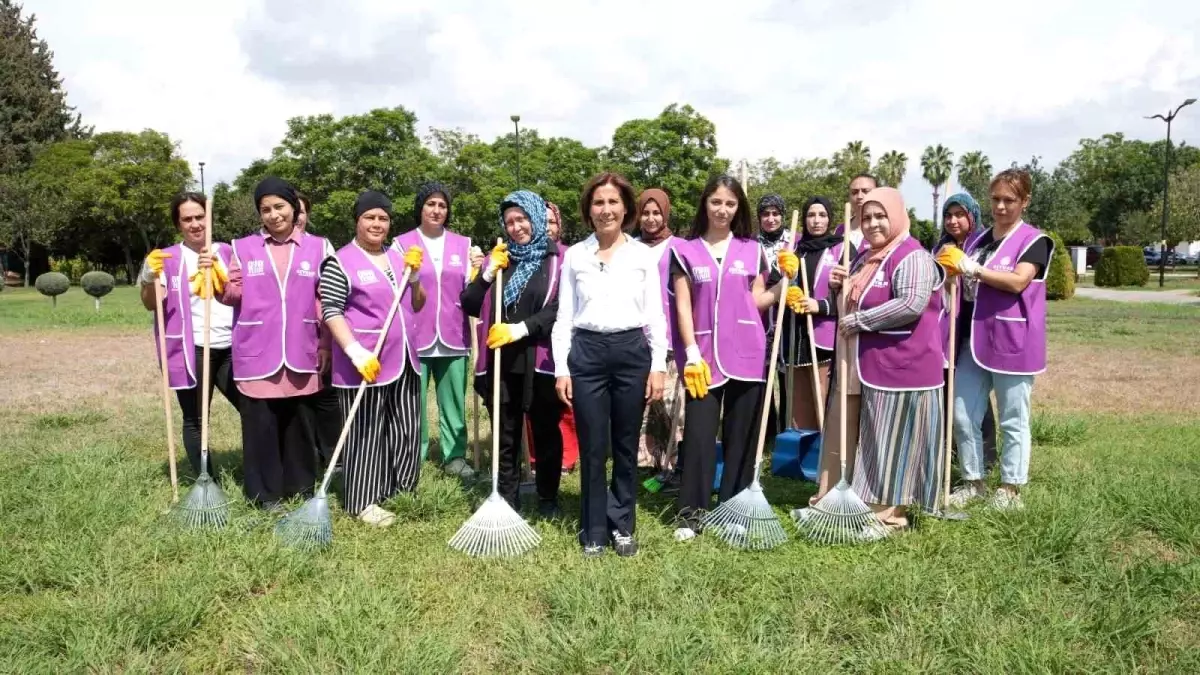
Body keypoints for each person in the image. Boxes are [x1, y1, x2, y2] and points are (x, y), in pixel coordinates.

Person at [813, 187, 944, 536]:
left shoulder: (911, 256)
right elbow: (855, 297)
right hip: (865, 365)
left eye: (880, 216)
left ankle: (890, 516)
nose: (872, 224)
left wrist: (861, 320)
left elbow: (911, 303)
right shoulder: (866, 258)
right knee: (866, 436)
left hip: (903, 368)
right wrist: (841, 285)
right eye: (867, 217)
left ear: (897, 216)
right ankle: (840, 500)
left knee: (892, 443)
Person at [670, 174, 791, 541]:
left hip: (748, 354)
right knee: (699, 435)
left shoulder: (751, 250)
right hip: (703, 356)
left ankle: (733, 508)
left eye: (730, 204)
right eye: (716, 202)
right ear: (705, 204)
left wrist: (784, 282)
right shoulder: (684, 250)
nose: (722, 210)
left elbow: (756, 300)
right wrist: (690, 353)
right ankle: (692, 513)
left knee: (742, 436)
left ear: (738, 209)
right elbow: (684, 305)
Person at [552, 172, 668, 558]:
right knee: (593, 444)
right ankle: (595, 527)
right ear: (589, 210)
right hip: (586, 354)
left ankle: (623, 524)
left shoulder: (642, 256)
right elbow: (564, 316)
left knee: (623, 443)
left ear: (626, 208)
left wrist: (657, 365)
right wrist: (561, 368)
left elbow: (655, 314)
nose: (606, 210)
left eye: (613, 202)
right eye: (598, 203)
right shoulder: (575, 256)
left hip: (631, 352)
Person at [208, 177, 333, 510]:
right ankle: (265, 495)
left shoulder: (320, 247)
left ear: (294, 208)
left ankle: (301, 487)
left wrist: (326, 344)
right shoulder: (242, 248)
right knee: (260, 427)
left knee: (300, 424)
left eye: (280, 206)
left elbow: (327, 301)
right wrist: (216, 280)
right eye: (266, 209)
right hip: (256, 350)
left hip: (302, 348)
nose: (274, 215)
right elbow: (233, 294)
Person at [942, 169, 1053, 511]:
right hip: (973, 340)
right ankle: (973, 481)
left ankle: (1010, 488)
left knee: (1013, 418)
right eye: (996, 199)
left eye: (1009, 200)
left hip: (1012, 341)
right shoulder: (979, 240)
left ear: (1025, 202)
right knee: (962, 413)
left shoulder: (1034, 240)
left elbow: (1018, 281)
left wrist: (971, 269)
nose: (1001, 207)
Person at [318, 190, 425, 526]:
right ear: (357, 221)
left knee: (407, 427)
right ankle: (363, 500)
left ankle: (402, 488)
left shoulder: (398, 257)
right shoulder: (340, 261)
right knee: (365, 431)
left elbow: (418, 303)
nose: (377, 224)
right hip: (366, 362)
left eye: (383, 218)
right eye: (370, 218)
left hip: (405, 357)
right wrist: (353, 350)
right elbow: (331, 310)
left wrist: (417, 277)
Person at [463, 190, 565, 516]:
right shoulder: (504, 258)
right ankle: (507, 499)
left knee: (546, 432)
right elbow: (469, 303)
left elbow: (560, 308)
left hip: (541, 359)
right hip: (503, 362)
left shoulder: (558, 259)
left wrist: (522, 328)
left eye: (521, 218)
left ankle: (548, 497)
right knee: (505, 436)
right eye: (509, 221)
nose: (516, 226)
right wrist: (487, 274)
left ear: (535, 216)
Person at [139, 192, 240, 476]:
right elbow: (151, 304)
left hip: (233, 348)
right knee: (196, 418)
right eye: (188, 219)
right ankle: (206, 479)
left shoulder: (229, 252)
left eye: (200, 217)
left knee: (254, 410)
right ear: (179, 224)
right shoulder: (166, 258)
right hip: (192, 348)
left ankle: (261, 468)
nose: (196, 224)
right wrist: (148, 278)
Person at [392, 182, 475, 480]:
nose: (437, 210)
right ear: (420, 208)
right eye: (431, 204)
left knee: (454, 399)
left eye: (442, 205)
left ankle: (455, 456)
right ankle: (415, 453)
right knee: (413, 400)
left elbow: (472, 290)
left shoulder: (463, 244)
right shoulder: (401, 244)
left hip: (454, 335)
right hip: (416, 335)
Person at [934, 192, 997, 470]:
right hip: (947, 333)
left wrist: (966, 268)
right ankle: (951, 455)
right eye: (948, 215)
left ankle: (987, 457)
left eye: (960, 214)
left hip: (975, 329)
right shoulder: (940, 247)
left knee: (974, 397)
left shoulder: (983, 244)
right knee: (949, 394)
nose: (953, 220)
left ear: (972, 216)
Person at [634, 188, 685, 473]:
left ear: (665, 214)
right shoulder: (630, 247)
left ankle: (673, 459)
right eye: (645, 212)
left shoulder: (679, 247)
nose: (651, 219)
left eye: (656, 213)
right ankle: (646, 458)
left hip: (671, 333)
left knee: (670, 400)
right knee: (644, 400)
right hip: (636, 334)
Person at [778, 196, 838, 435]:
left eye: (822, 215)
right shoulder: (794, 251)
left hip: (823, 334)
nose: (816, 220)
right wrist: (785, 278)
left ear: (830, 219)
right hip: (795, 331)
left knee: (821, 391)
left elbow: (854, 295)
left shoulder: (841, 248)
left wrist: (820, 306)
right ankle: (800, 444)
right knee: (798, 393)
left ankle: (826, 446)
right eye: (811, 215)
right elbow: (776, 287)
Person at [530, 200, 578, 474]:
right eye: (541, 221)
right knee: (536, 402)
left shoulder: (570, 255)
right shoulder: (528, 255)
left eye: (551, 221)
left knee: (564, 400)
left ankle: (567, 455)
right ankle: (537, 455)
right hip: (533, 339)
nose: (547, 227)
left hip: (564, 337)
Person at [295, 190, 342, 471]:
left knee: (327, 397)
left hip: (320, 334)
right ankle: (307, 454)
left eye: (302, 211)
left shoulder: (322, 246)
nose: (298, 217)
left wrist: (326, 340)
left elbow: (330, 296)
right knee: (299, 399)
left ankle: (334, 457)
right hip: (290, 339)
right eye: (294, 210)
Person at [757, 193, 790, 436]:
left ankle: (787, 428)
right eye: (765, 214)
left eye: (775, 213)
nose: (770, 219)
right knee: (762, 376)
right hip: (759, 320)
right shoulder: (750, 244)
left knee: (786, 376)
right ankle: (765, 430)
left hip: (788, 317)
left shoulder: (794, 241)